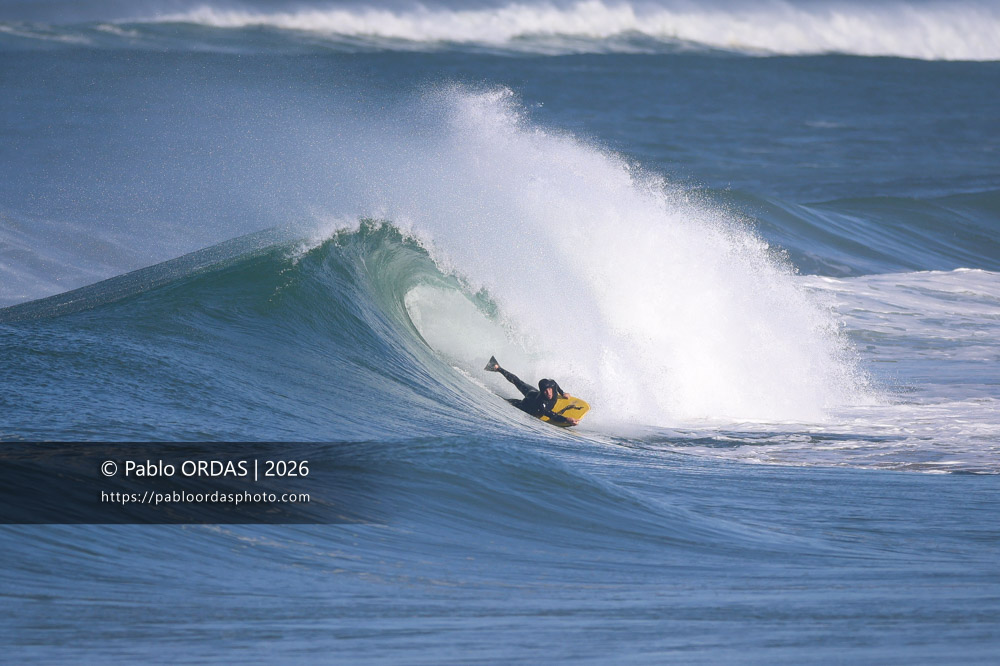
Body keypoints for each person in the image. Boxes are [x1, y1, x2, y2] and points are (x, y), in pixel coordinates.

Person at [484, 356, 580, 426]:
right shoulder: (542, 404)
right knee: (506, 400)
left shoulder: (553, 385)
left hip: (532, 392)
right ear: (542, 391)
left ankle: (497, 367)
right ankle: (489, 390)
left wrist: (563, 393)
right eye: (545, 391)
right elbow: (552, 415)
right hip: (527, 404)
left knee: (518, 382)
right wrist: (566, 419)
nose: (549, 393)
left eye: (550, 390)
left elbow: (556, 385)